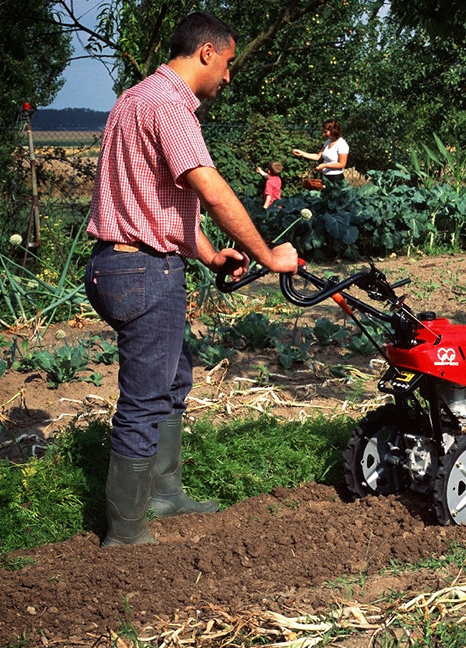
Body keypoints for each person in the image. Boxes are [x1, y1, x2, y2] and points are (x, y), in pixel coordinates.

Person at [85, 11, 299, 547]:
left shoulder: (134, 100)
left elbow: (154, 197)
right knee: (144, 398)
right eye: (227, 63)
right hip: (143, 270)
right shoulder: (171, 107)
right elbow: (210, 188)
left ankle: (163, 493)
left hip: (114, 263)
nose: (228, 76)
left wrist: (206, 254)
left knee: (173, 378)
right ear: (207, 53)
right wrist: (268, 255)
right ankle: (128, 530)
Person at [292, 119, 349, 185]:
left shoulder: (342, 144)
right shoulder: (328, 142)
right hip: (325, 176)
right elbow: (318, 156)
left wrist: (325, 165)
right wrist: (302, 153)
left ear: (333, 131)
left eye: (325, 132)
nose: (323, 134)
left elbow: (342, 164)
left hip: (336, 179)